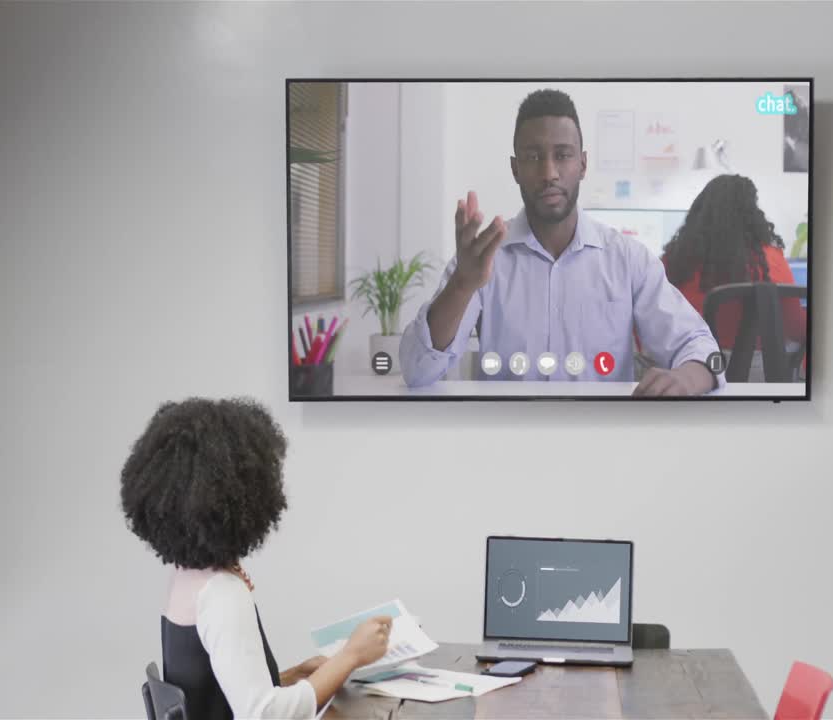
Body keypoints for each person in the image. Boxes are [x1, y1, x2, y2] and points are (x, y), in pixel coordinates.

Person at [399, 89, 722, 397]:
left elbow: (698, 344)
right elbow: (417, 371)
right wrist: (460, 286)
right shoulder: (480, 261)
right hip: (505, 440)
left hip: (604, 440)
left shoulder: (629, 260)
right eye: (533, 156)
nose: (549, 172)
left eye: (563, 155)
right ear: (515, 169)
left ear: (582, 164)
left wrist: (687, 377)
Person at [120, 397, 392, 719]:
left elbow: (215, 693)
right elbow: (263, 714)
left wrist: (293, 676)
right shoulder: (221, 593)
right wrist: (351, 656)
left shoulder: (186, 580)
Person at [662, 174, 807, 376]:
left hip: (687, 367)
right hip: (758, 373)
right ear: (753, 213)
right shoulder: (768, 260)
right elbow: (795, 327)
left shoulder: (673, 260)